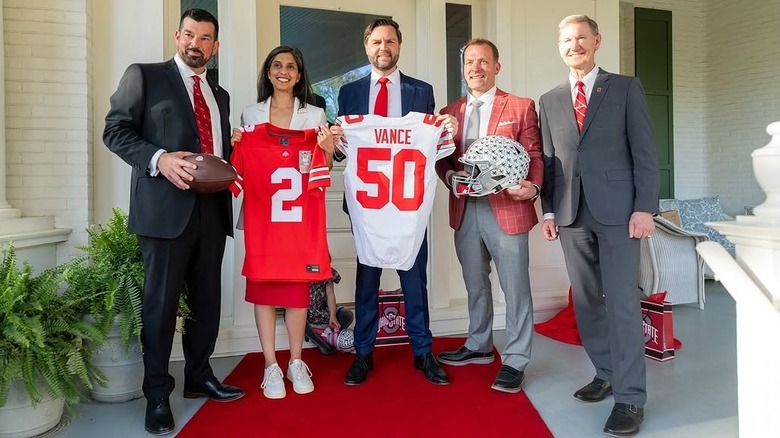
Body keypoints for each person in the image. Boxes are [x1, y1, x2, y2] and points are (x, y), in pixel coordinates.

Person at [103, 9, 244, 435]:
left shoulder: (219, 95)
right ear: (176, 36)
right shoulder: (144, 75)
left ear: (214, 47)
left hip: (211, 209)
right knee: (162, 307)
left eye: (204, 38)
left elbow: (216, 152)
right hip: (164, 213)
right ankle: (158, 396)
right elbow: (115, 130)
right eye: (189, 35)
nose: (195, 44)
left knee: (206, 303)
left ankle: (199, 376)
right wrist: (159, 159)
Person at [538, 15, 659, 437]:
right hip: (571, 215)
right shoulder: (550, 99)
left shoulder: (625, 87)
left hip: (620, 214)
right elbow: (550, 163)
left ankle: (630, 398)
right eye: (567, 40)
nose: (574, 46)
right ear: (561, 47)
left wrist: (645, 208)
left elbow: (644, 151)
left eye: (581, 38)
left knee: (623, 302)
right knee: (587, 302)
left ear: (596, 41)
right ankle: (605, 372)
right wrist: (549, 212)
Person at [333, 18, 457, 386]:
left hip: (406, 206)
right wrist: (337, 140)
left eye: (389, 41)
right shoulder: (349, 92)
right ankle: (363, 353)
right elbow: (343, 152)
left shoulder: (422, 90)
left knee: (414, 279)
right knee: (367, 280)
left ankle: (423, 352)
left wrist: (445, 129)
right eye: (376, 41)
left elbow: (430, 146)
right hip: (368, 208)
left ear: (399, 46)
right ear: (366, 46)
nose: (383, 47)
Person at [434, 38, 543, 394]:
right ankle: (479, 344)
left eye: (483, 61)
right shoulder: (449, 111)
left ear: (497, 66)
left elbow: (535, 155)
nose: (475, 68)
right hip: (466, 209)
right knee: (475, 283)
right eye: (469, 63)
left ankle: (515, 359)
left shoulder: (521, 106)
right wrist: (451, 177)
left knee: (515, 287)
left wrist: (534, 187)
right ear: (463, 69)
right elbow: (442, 159)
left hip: (508, 207)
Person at [234, 45, 335, 400]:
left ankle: (295, 360)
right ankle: (270, 365)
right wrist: (238, 143)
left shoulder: (316, 114)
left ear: (300, 73)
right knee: (264, 290)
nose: (283, 71)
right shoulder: (251, 115)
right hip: (265, 219)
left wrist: (325, 147)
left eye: (291, 66)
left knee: (296, 292)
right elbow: (239, 169)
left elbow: (326, 172)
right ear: (268, 72)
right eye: (277, 65)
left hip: (299, 220)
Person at [304, 267, 356, 355]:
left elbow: (330, 293)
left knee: (348, 315)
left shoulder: (327, 271)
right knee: (296, 320)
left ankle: (329, 335)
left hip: (322, 310)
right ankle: (320, 342)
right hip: (304, 312)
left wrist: (333, 315)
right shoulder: (301, 270)